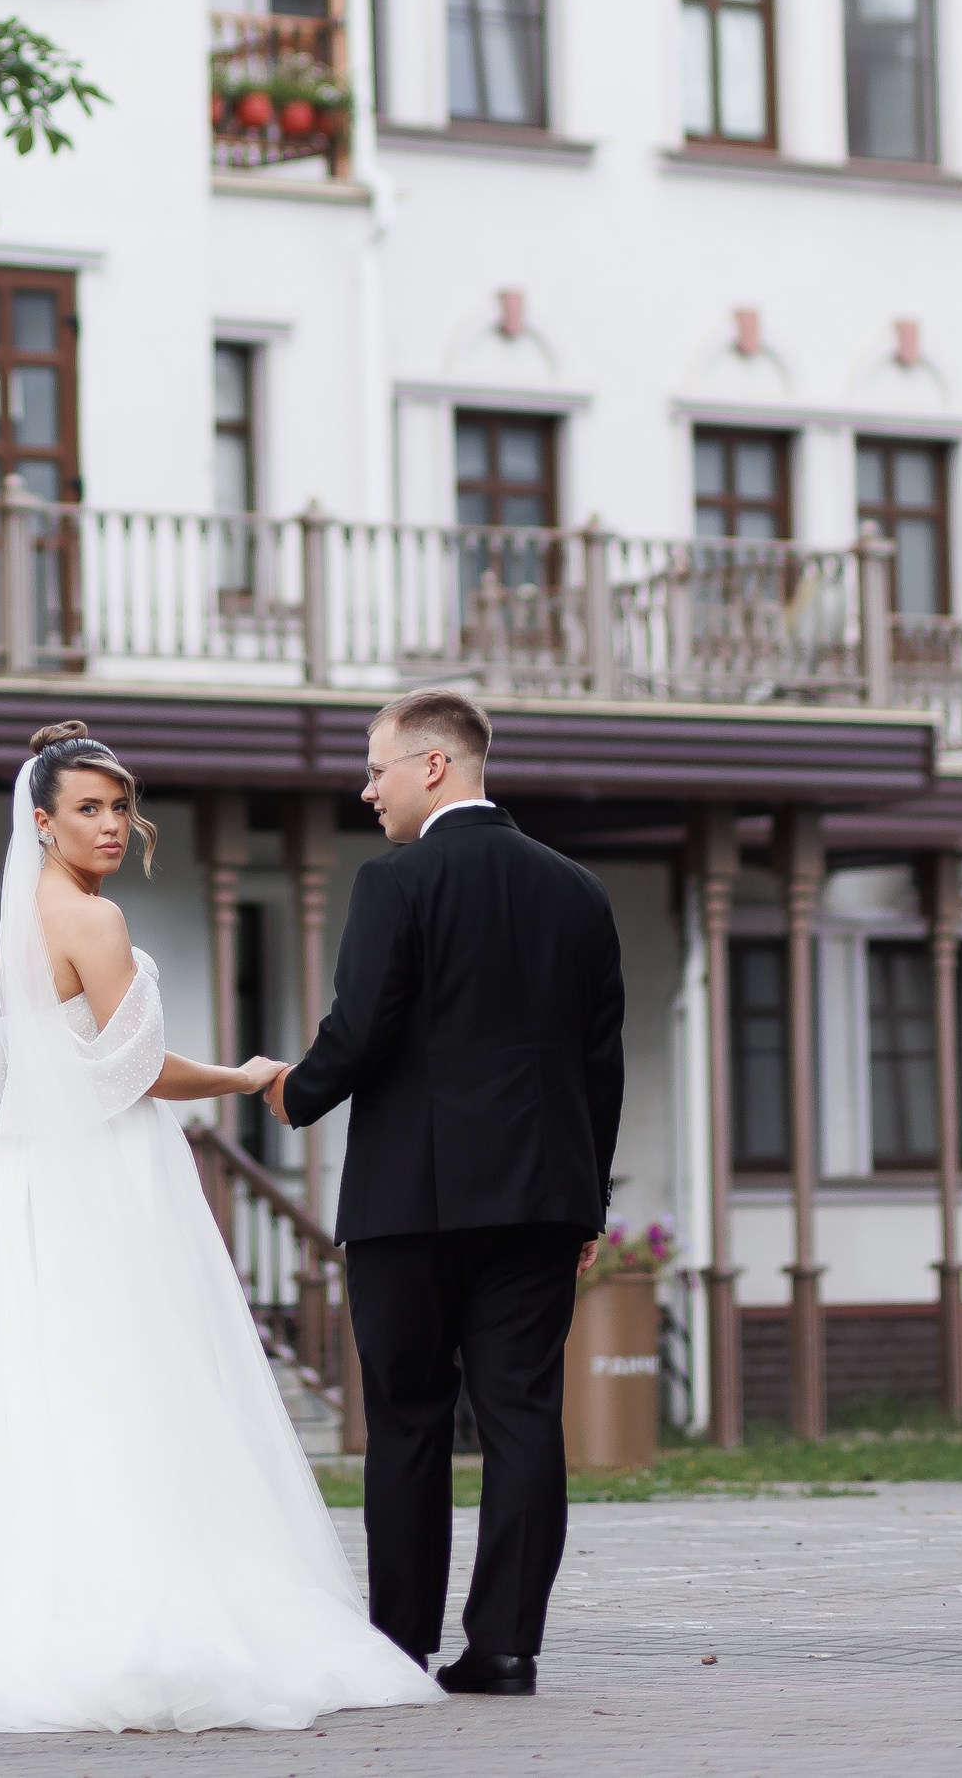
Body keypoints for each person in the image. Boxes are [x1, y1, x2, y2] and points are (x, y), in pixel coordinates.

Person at [0, 719, 438, 1736]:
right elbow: (135, 1070)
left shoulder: (22, 918)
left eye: (120, 804)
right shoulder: (95, 920)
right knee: (132, 1375)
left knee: (40, 1383)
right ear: (42, 820)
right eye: (88, 806)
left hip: (29, 1172)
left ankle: (19, 1596)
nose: (112, 823)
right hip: (109, 1168)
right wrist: (247, 1073)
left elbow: (35, 1058)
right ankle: (137, 1602)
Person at [266, 685, 624, 1699]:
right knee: (521, 1414)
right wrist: (583, 1199)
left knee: (409, 1418)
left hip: (409, 1205)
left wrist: (293, 1090)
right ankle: (505, 1648)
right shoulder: (579, 891)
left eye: (375, 767)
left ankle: (398, 1645)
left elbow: (362, 1021)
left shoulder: (397, 882)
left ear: (433, 764)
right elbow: (601, 1065)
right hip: (541, 1201)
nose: (365, 788)